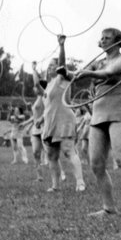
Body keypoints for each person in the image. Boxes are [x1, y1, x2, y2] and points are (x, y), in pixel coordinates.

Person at [72, 28, 121, 217]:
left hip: (117, 111)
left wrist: (87, 73)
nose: (103, 40)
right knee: (96, 164)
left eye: (107, 38)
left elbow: (108, 73)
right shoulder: (98, 63)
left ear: (118, 41)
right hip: (98, 114)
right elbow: (76, 74)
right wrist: (67, 72)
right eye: (101, 38)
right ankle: (108, 207)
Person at [38, 38, 86, 192]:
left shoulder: (61, 79)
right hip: (50, 122)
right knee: (51, 156)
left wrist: (61, 46)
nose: (50, 67)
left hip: (64, 120)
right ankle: (55, 185)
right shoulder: (49, 85)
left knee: (69, 151)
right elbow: (46, 103)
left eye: (53, 65)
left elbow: (62, 65)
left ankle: (80, 182)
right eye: (49, 66)